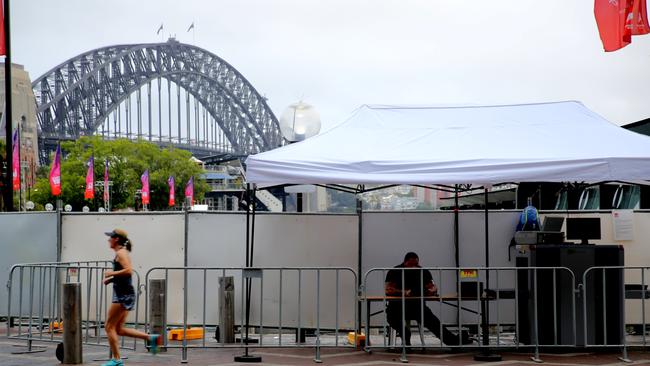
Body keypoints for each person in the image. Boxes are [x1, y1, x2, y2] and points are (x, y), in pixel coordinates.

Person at [385, 252, 471, 346]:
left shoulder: (423, 271)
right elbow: (388, 290)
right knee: (392, 318)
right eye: (411, 264)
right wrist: (404, 293)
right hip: (396, 307)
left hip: (417, 307)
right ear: (404, 262)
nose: (413, 267)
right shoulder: (395, 271)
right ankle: (405, 335)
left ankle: (453, 342)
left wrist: (430, 291)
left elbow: (433, 287)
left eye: (416, 264)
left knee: (434, 322)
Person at [102, 229, 160, 366]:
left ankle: (117, 360)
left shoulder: (121, 253)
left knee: (109, 327)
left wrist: (111, 273)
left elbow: (128, 271)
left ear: (116, 239)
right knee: (118, 329)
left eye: (110, 237)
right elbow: (125, 275)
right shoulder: (121, 252)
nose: (108, 240)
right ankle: (150, 338)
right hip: (125, 293)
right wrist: (111, 280)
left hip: (122, 295)